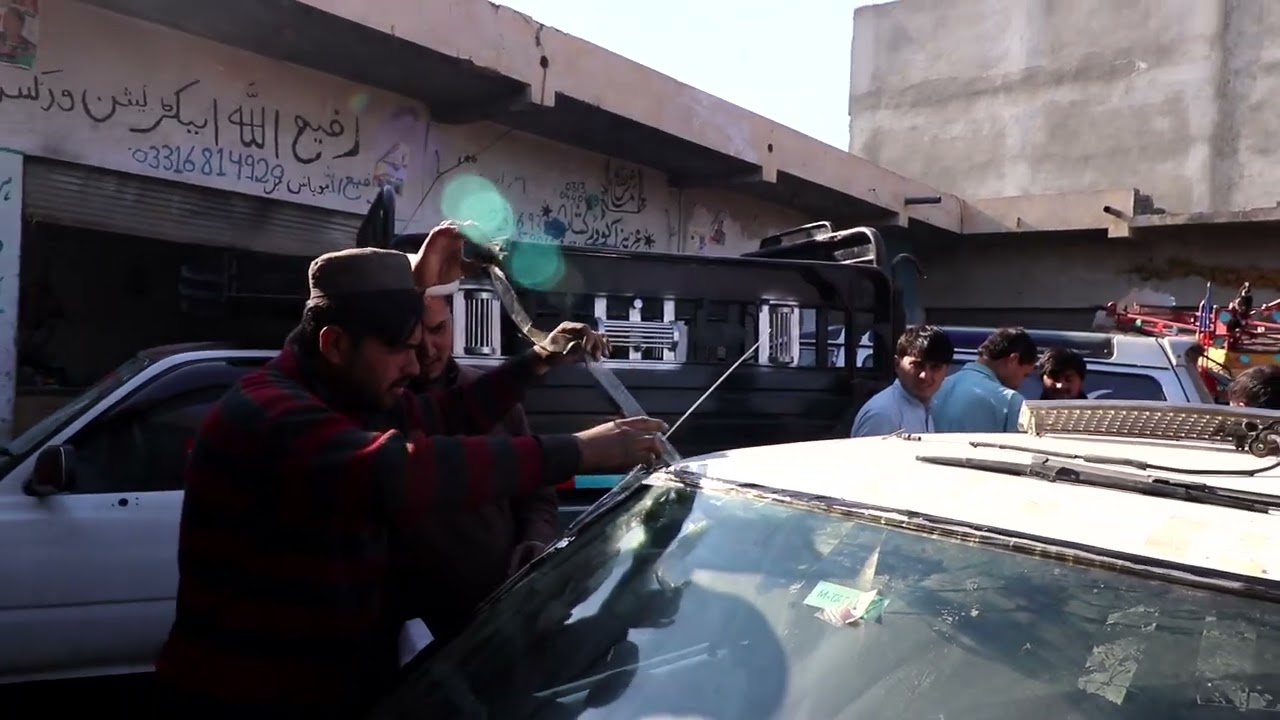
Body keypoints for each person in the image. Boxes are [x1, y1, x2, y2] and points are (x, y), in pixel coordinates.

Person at [154, 223, 668, 719]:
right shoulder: (269, 413)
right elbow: (399, 471)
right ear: (333, 344)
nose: (414, 365)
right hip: (249, 698)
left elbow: (444, 417)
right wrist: (578, 450)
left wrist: (536, 360)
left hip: (338, 686)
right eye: (399, 348)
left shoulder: (342, 392)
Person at [396, 291, 560, 652]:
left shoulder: (492, 394)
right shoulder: (378, 409)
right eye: (414, 336)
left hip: (500, 612)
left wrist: (536, 539)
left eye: (438, 329)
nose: (428, 349)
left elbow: (536, 491)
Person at [850, 325, 954, 437]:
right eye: (917, 365)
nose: (924, 375)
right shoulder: (883, 415)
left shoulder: (923, 407)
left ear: (946, 371)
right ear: (897, 364)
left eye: (935, 367)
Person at [931, 327, 1038, 433]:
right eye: (1025, 375)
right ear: (1013, 359)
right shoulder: (1011, 401)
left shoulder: (933, 389)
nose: (1020, 383)